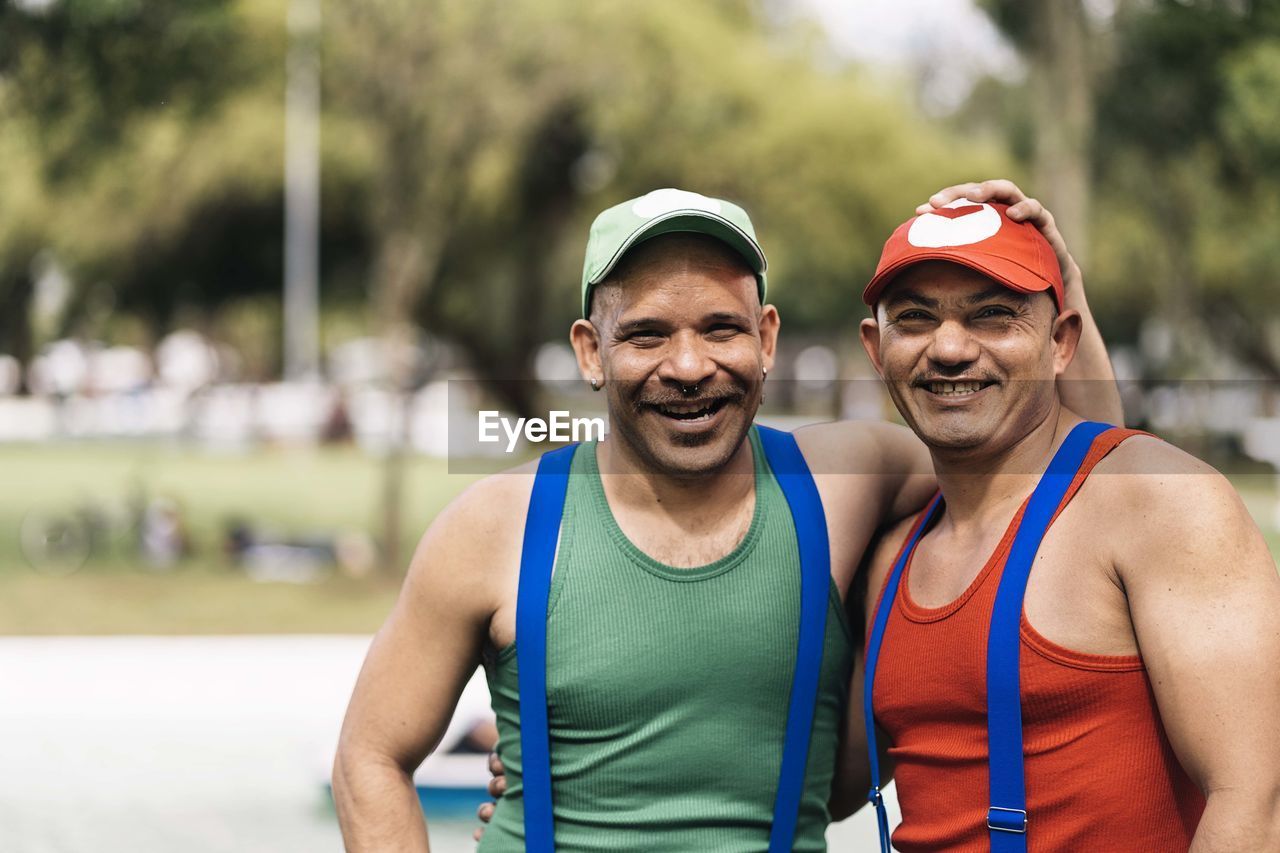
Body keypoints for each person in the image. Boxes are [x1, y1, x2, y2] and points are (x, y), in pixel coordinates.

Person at [333, 183, 1116, 851]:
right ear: (590, 351)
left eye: (720, 328)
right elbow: (369, 756)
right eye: (645, 333)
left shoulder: (844, 482)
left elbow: (1075, 473)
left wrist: (1062, 282)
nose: (687, 366)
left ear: (766, 337)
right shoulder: (498, 523)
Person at [833, 185, 1280, 851]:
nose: (950, 348)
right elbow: (829, 788)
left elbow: (1257, 806)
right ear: (877, 348)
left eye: (993, 316)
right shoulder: (892, 557)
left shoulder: (1164, 502)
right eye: (916, 319)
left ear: (1061, 340)